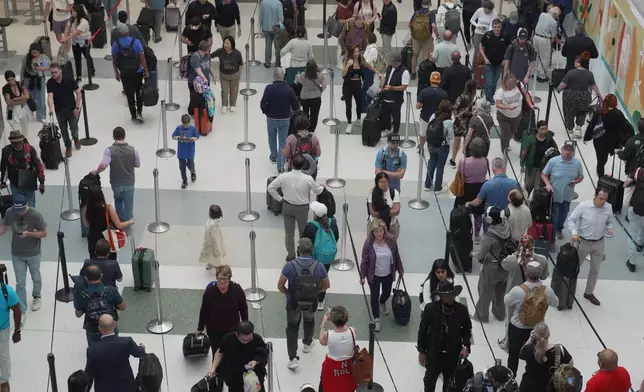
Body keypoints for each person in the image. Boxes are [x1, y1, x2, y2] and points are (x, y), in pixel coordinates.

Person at [278, 238, 330, 369]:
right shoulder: (319, 266)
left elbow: (280, 285)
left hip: (294, 302)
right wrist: (317, 291)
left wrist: (288, 294)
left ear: (298, 250)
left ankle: (293, 358)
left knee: (292, 327)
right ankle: (307, 343)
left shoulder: (290, 265)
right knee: (309, 320)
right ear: (312, 251)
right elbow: (326, 285)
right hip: (311, 301)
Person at [504, 260, 558, 375]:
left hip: (517, 328)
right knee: (535, 354)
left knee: (513, 355)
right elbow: (555, 303)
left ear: (526, 273)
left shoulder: (518, 290)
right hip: (537, 329)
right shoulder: (547, 290)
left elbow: (507, 301)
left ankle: (511, 377)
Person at [417, 280, 471, 392]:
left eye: (451, 295)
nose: (450, 297)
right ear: (441, 296)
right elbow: (422, 331)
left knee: (450, 384)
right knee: (429, 381)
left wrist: (466, 346)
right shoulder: (431, 309)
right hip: (433, 354)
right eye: (446, 295)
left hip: (453, 354)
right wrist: (422, 351)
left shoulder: (462, 310)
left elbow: (467, 329)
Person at [0, 194, 47, 324]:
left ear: (27, 205)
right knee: (20, 283)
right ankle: (21, 310)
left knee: (36, 276)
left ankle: (37, 296)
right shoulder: (10, 212)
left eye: (21, 210)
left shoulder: (36, 215)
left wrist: (30, 234)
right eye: (17, 210)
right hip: (17, 253)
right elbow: (5, 227)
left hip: (33, 253)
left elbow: (44, 233)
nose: (19, 213)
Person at [268, 155, 324, 260]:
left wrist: (280, 198)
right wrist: (322, 186)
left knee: (289, 233)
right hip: (302, 209)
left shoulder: (284, 176)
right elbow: (317, 191)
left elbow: (271, 188)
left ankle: (291, 255)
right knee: (303, 232)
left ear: (292, 164)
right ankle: (303, 254)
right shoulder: (308, 179)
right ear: (303, 166)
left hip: (287, 206)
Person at [498, 234, 549, 351]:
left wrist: (514, 254)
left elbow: (503, 265)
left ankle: (508, 344)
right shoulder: (542, 260)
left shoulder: (512, 260)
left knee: (511, 320)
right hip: (535, 295)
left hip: (515, 295)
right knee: (535, 319)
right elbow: (545, 276)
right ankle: (532, 344)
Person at [567, 187, 613, 306]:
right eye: (600, 198)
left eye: (605, 199)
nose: (603, 201)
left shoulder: (608, 208)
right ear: (595, 196)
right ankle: (568, 290)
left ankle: (589, 292)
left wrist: (609, 228)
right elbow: (571, 220)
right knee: (575, 268)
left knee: (595, 269)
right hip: (583, 241)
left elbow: (610, 221)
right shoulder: (583, 206)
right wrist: (574, 232)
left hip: (599, 242)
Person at [360, 218, 404, 332]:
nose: (378, 234)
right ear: (372, 232)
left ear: (384, 230)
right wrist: (362, 276)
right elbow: (364, 260)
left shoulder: (391, 240)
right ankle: (376, 318)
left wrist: (400, 269)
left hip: (388, 273)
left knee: (386, 292)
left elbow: (396, 255)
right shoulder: (369, 243)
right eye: (376, 231)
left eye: (380, 231)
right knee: (374, 296)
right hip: (373, 274)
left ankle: (383, 301)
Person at [92, 127, 141, 223]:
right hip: (129, 182)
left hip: (116, 182)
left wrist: (96, 172)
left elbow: (103, 165)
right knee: (128, 204)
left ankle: (120, 221)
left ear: (113, 137)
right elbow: (137, 164)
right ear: (124, 136)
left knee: (118, 201)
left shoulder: (109, 150)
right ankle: (128, 224)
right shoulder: (133, 150)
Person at [84, 314, 145, 392]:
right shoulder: (126, 342)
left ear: (100, 328)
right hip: (127, 387)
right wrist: (142, 347)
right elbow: (139, 353)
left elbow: (89, 375)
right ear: (115, 325)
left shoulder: (92, 350)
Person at [197, 264, 248, 356]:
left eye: (225, 279)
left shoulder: (237, 290)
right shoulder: (210, 292)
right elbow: (204, 310)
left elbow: (243, 309)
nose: (222, 281)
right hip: (214, 330)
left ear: (229, 278)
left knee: (232, 353)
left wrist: (245, 327)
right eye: (219, 278)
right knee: (216, 353)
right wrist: (200, 327)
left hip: (232, 329)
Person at [471, 206, 511, 322]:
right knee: (500, 291)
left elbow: (480, 255)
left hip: (491, 268)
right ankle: (499, 313)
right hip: (504, 265)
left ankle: (482, 315)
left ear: (489, 219)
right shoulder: (506, 227)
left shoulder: (488, 237)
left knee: (485, 291)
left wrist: (473, 253)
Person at [541, 142, 584, 250]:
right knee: (554, 219)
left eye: (570, 150)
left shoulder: (577, 163)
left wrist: (575, 181)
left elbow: (581, 176)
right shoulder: (553, 161)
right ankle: (552, 240)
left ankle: (560, 228)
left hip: (568, 196)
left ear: (573, 151)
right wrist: (548, 184)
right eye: (566, 149)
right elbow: (544, 174)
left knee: (563, 216)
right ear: (562, 149)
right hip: (555, 196)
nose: (568, 152)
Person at [209, 321, 268, 391]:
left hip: (254, 376)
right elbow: (220, 353)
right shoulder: (228, 339)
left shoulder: (257, 339)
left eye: (249, 339)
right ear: (237, 335)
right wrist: (213, 367)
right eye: (243, 340)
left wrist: (255, 361)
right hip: (235, 376)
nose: (246, 342)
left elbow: (263, 353)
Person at [261, 67, 300, 173]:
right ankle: (280, 165)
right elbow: (296, 106)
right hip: (285, 118)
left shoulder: (269, 88)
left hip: (271, 118)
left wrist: (266, 112)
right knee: (283, 141)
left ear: (274, 76)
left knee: (271, 138)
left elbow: (263, 104)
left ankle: (273, 156)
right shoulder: (289, 89)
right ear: (283, 77)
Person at [74, 267, 127, 345]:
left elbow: (78, 315)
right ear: (101, 276)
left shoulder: (82, 295)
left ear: (86, 278)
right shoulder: (111, 290)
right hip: (110, 329)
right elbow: (123, 307)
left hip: (93, 331)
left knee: (95, 352)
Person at [301, 201, 339, 309]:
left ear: (315, 215)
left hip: (314, 257)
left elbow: (304, 241)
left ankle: (310, 296)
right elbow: (336, 237)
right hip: (328, 257)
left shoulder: (311, 226)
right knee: (323, 276)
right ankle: (320, 300)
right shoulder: (333, 222)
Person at [82, 185, 134, 259]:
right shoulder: (108, 209)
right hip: (107, 238)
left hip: (93, 238)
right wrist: (129, 222)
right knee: (110, 261)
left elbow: (86, 224)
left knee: (94, 259)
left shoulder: (86, 208)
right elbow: (119, 225)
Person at [111, 22, 149, 124]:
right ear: (128, 31)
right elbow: (142, 58)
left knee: (129, 94)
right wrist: (146, 71)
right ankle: (140, 113)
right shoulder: (136, 42)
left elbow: (114, 59)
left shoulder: (116, 44)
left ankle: (133, 115)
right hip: (137, 72)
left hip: (124, 73)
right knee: (139, 92)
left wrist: (116, 72)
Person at [519, 322, 573, 392]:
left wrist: (530, 338)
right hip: (548, 388)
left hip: (527, 387)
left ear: (534, 336)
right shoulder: (559, 350)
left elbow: (521, 353)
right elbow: (570, 364)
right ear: (549, 334)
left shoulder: (528, 349)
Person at [585, 94, 630, 177]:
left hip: (599, 140)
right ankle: (600, 173)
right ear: (615, 103)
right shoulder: (618, 114)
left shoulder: (598, 112)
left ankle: (600, 177)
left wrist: (587, 137)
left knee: (600, 160)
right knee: (604, 158)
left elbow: (591, 125)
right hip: (612, 141)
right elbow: (625, 127)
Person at [557, 55, 601, 138]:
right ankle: (578, 129)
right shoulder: (589, 74)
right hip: (584, 95)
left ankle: (570, 130)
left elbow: (563, 84)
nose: (574, 62)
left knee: (569, 112)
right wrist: (598, 94)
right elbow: (593, 85)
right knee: (582, 111)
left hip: (570, 95)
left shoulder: (571, 72)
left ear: (579, 63)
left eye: (576, 61)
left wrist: (558, 89)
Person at [454, 138, 488, 242]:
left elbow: (460, 174)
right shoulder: (486, 160)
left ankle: (462, 231)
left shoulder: (463, 162)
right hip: (480, 189)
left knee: (461, 210)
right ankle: (477, 235)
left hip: (466, 189)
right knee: (478, 213)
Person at [0, 131, 46, 208]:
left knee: (30, 205)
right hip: (14, 183)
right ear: (11, 142)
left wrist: (42, 182)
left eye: (19, 142)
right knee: (17, 205)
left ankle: (30, 218)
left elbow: (38, 165)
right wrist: (3, 182)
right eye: (14, 142)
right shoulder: (6, 151)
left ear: (22, 140)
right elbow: (4, 167)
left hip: (28, 182)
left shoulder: (30, 149)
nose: (17, 144)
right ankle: (20, 219)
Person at [46, 63, 82, 157]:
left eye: (55, 72)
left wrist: (77, 107)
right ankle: (68, 146)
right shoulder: (50, 82)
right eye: (52, 73)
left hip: (71, 109)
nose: (54, 74)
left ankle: (76, 138)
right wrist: (50, 108)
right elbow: (50, 96)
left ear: (60, 70)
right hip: (59, 111)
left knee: (74, 128)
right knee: (63, 130)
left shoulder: (69, 79)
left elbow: (78, 93)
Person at [319, 306, 357, 392]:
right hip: (348, 366)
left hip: (332, 367)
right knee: (347, 387)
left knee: (327, 386)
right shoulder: (352, 331)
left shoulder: (328, 335)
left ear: (332, 320)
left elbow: (322, 341)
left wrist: (323, 324)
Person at [342, 46, 378, 134]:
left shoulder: (361, 60)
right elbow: (343, 74)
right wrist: (347, 66)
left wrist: (377, 72)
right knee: (348, 105)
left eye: (358, 52)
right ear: (351, 53)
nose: (356, 54)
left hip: (357, 85)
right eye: (354, 52)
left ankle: (358, 119)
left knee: (359, 103)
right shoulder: (347, 60)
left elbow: (368, 66)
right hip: (348, 85)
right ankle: (349, 123)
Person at [420, 100, 454, 193]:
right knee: (440, 167)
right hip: (443, 146)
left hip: (431, 144)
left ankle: (427, 185)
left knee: (431, 163)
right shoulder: (448, 121)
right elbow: (451, 136)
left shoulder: (434, 115)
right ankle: (437, 188)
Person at [520, 120, 558, 196]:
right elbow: (525, 152)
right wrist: (522, 164)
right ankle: (525, 199)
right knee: (528, 185)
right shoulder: (531, 139)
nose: (544, 131)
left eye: (545, 129)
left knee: (538, 187)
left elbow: (556, 148)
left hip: (543, 168)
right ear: (537, 129)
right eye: (541, 129)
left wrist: (552, 150)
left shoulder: (549, 138)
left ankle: (535, 202)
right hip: (531, 166)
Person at [0, 264, 21, 392]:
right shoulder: (7, 291)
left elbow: (17, 311)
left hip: (2, 330)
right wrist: (17, 331)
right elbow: (17, 311)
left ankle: (3, 380)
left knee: (3, 355)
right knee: (4, 355)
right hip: (3, 329)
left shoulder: (6, 291)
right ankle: (4, 380)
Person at [210, 36, 244, 113]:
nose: (226, 45)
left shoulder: (237, 53)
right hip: (224, 75)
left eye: (228, 43)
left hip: (235, 75)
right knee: (224, 90)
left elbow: (241, 64)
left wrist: (239, 73)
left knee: (234, 90)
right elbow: (210, 56)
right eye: (225, 43)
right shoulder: (220, 51)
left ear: (232, 44)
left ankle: (232, 104)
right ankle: (224, 105)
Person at [62, 4, 95, 83]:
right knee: (77, 58)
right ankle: (79, 76)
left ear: (78, 12)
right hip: (75, 41)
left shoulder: (84, 22)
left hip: (85, 41)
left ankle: (92, 69)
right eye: (72, 11)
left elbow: (75, 33)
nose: (72, 13)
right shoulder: (71, 19)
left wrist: (66, 39)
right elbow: (67, 29)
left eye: (73, 11)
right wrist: (64, 37)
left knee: (87, 56)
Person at [380, 53, 409, 136]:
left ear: (399, 62)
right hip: (385, 96)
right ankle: (388, 128)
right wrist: (382, 85)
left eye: (394, 62)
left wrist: (392, 88)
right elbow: (385, 78)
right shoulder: (389, 67)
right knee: (386, 115)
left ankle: (395, 132)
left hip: (396, 99)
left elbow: (404, 86)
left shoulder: (404, 72)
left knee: (396, 116)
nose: (392, 64)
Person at [450, 80, 478, 167]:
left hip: (459, 122)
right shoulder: (476, 98)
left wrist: (457, 117)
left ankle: (453, 160)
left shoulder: (460, 97)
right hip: (469, 123)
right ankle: (466, 161)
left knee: (456, 143)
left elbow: (455, 109)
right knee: (467, 143)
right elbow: (476, 111)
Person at [495, 73, 525, 152]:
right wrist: (507, 107)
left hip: (517, 114)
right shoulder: (501, 91)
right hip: (504, 115)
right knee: (506, 133)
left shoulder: (519, 85)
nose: (510, 85)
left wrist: (531, 104)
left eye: (512, 83)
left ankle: (506, 142)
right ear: (505, 82)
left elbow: (525, 94)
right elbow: (498, 104)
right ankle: (504, 147)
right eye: (508, 83)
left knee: (514, 131)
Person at [480, 19, 507, 103]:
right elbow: (480, 46)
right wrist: (484, 58)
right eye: (495, 27)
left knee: (494, 83)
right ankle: (488, 99)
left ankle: (490, 96)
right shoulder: (487, 35)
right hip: (488, 64)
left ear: (501, 26)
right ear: (492, 27)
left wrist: (505, 60)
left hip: (499, 64)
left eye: (498, 27)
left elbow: (510, 48)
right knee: (489, 83)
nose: (497, 29)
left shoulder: (505, 36)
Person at [21, 43, 50, 123]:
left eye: (36, 53)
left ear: (39, 51)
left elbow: (49, 67)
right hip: (28, 79)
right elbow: (23, 69)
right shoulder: (26, 58)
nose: (34, 54)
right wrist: (21, 80)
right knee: (29, 98)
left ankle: (41, 116)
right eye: (32, 53)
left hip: (39, 79)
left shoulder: (43, 57)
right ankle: (29, 114)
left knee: (41, 99)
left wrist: (41, 68)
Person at [368, 172, 401, 237]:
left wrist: (380, 212)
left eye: (386, 181)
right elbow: (373, 213)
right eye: (381, 182)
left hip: (391, 224)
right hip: (375, 225)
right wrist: (389, 211)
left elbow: (396, 211)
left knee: (391, 244)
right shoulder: (372, 193)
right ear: (377, 182)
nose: (384, 184)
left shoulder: (394, 192)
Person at [532, 6, 561, 82]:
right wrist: (559, 41)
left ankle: (535, 73)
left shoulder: (542, 15)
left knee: (536, 57)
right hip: (544, 40)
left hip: (536, 37)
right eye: (558, 15)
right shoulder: (553, 22)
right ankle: (542, 76)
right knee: (545, 59)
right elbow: (554, 36)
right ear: (555, 14)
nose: (558, 17)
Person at [409, 0, 436, 79]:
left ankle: (413, 73)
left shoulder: (416, 13)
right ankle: (424, 73)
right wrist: (437, 35)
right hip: (427, 38)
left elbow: (410, 24)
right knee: (426, 56)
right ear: (430, 4)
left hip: (416, 38)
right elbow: (433, 25)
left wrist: (413, 32)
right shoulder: (431, 14)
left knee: (415, 55)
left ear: (421, 4)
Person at [296, 59, 326, 132]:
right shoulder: (320, 75)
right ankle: (312, 130)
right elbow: (324, 85)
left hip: (305, 97)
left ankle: (305, 127)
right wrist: (320, 91)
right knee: (314, 115)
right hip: (316, 98)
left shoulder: (303, 75)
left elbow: (298, 81)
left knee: (305, 113)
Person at [187, 40, 216, 115]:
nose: (209, 50)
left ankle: (202, 111)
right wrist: (204, 78)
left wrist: (213, 75)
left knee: (204, 98)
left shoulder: (207, 55)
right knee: (195, 98)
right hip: (195, 83)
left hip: (205, 82)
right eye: (209, 48)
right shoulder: (195, 57)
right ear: (205, 49)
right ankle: (192, 112)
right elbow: (198, 70)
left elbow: (209, 65)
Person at [172, 114, 199, 189]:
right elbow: (173, 136)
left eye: (187, 125)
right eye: (184, 125)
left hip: (190, 151)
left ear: (189, 123)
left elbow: (197, 136)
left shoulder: (193, 129)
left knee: (190, 164)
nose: (185, 126)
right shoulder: (178, 128)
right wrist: (178, 137)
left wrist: (192, 139)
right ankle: (184, 180)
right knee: (182, 167)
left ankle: (193, 172)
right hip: (181, 151)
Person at [469, 0, 497, 71]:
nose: (486, 11)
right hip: (478, 33)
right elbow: (472, 20)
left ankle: (483, 68)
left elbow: (492, 24)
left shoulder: (494, 14)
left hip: (487, 34)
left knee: (486, 51)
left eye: (488, 10)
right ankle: (474, 67)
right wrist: (478, 26)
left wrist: (488, 31)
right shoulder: (479, 10)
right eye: (485, 9)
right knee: (477, 50)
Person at [199, 205, 227, 270]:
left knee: (210, 254)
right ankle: (219, 266)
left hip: (209, 241)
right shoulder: (213, 225)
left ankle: (210, 264)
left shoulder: (210, 221)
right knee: (216, 255)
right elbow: (214, 239)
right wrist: (216, 248)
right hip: (213, 242)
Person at [260, 0, 284, 68]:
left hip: (266, 27)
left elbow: (261, 16)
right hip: (276, 29)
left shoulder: (263, 2)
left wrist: (262, 24)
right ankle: (277, 63)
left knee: (268, 45)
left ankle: (267, 63)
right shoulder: (278, 3)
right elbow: (281, 18)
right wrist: (281, 28)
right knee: (277, 47)